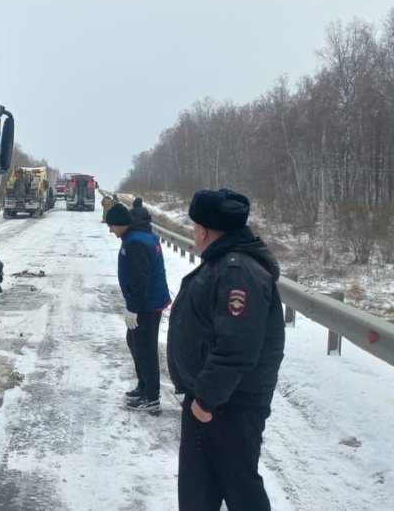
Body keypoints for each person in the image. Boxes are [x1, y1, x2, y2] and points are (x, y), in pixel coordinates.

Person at [167, 188, 285, 511]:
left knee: (240, 489)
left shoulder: (237, 272)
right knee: (198, 491)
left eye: (194, 227)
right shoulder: (223, 263)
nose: (194, 233)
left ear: (203, 231)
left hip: (229, 405)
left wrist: (206, 400)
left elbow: (237, 346)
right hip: (213, 400)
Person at [106, 203, 172, 413]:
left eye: (111, 226)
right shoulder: (140, 236)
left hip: (147, 305)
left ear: (120, 223)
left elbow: (140, 279)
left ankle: (151, 398)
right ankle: (143, 386)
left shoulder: (135, 243)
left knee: (145, 350)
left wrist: (133, 308)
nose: (110, 230)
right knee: (135, 343)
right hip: (148, 302)